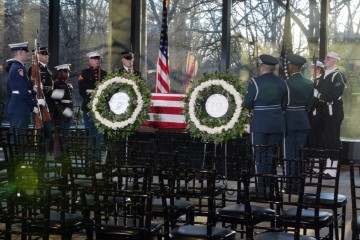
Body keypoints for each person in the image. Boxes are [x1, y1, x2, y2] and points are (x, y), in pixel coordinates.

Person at [243, 54, 288, 186]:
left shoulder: (255, 82)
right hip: (276, 124)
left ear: (263, 67)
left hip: (260, 124)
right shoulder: (282, 83)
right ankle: (268, 184)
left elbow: (248, 103)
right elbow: (284, 104)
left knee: (259, 155)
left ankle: (261, 186)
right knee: (270, 155)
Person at [314, 52, 347, 149]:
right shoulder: (323, 75)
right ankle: (323, 162)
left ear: (334, 60)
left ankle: (332, 163)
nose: (325, 60)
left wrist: (318, 94)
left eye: (327, 58)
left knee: (332, 139)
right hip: (322, 110)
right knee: (322, 139)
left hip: (333, 111)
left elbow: (334, 95)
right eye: (325, 58)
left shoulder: (338, 76)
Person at [283, 54, 314, 160]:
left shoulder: (286, 83)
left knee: (289, 153)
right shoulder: (309, 83)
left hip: (289, 121)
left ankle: (290, 176)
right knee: (300, 153)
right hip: (303, 120)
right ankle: (299, 176)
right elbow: (310, 104)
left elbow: (283, 103)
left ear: (291, 66)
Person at [6, 42, 39, 130]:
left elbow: (24, 89)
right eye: (25, 52)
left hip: (20, 108)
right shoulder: (18, 69)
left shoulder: (18, 67)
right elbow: (23, 92)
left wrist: (33, 91)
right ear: (20, 53)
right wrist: (35, 103)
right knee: (18, 140)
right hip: (19, 109)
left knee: (20, 139)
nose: (27, 54)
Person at [28, 46, 54, 155]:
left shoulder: (47, 70)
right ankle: (39, 154)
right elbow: (32, 87)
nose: (46, 56)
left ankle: (45, 154)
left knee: (48, 132)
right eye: (43, 54)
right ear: (38, 56)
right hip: (40, 105)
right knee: (40, 132)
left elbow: (50, 87)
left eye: (47, 54)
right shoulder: (34, 69)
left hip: (48, 105)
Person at [78, 51, 107, 148]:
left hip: (100, 106)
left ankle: (97, 156)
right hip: (88, 106)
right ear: (90, 60)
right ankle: (89, 156)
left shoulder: (104, 73)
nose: (97, 61)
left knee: (98, 132)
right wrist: (90, 99)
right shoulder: (85, 72)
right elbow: (82, 90)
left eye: (98, 59)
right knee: (89, 131)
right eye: (95, 59)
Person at [51, 64, 73, 159]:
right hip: (61, 114)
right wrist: (63, 111)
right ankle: (59, 155)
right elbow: (56, 101)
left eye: (68, 72)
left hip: (68, 112)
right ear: (61, 72)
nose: (67, 74)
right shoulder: (57, 83)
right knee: (60, 136)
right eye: (66, 72)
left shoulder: (66, 83)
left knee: (66, 135)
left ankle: (65, 154)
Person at [307, 60, 325, 148]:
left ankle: (317, 158)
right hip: (311, 111)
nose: (310, 69)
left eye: (312, 67)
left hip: (317, 111)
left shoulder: (321, 81)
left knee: (316, 133)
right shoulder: (312, 80)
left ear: (318, 70)